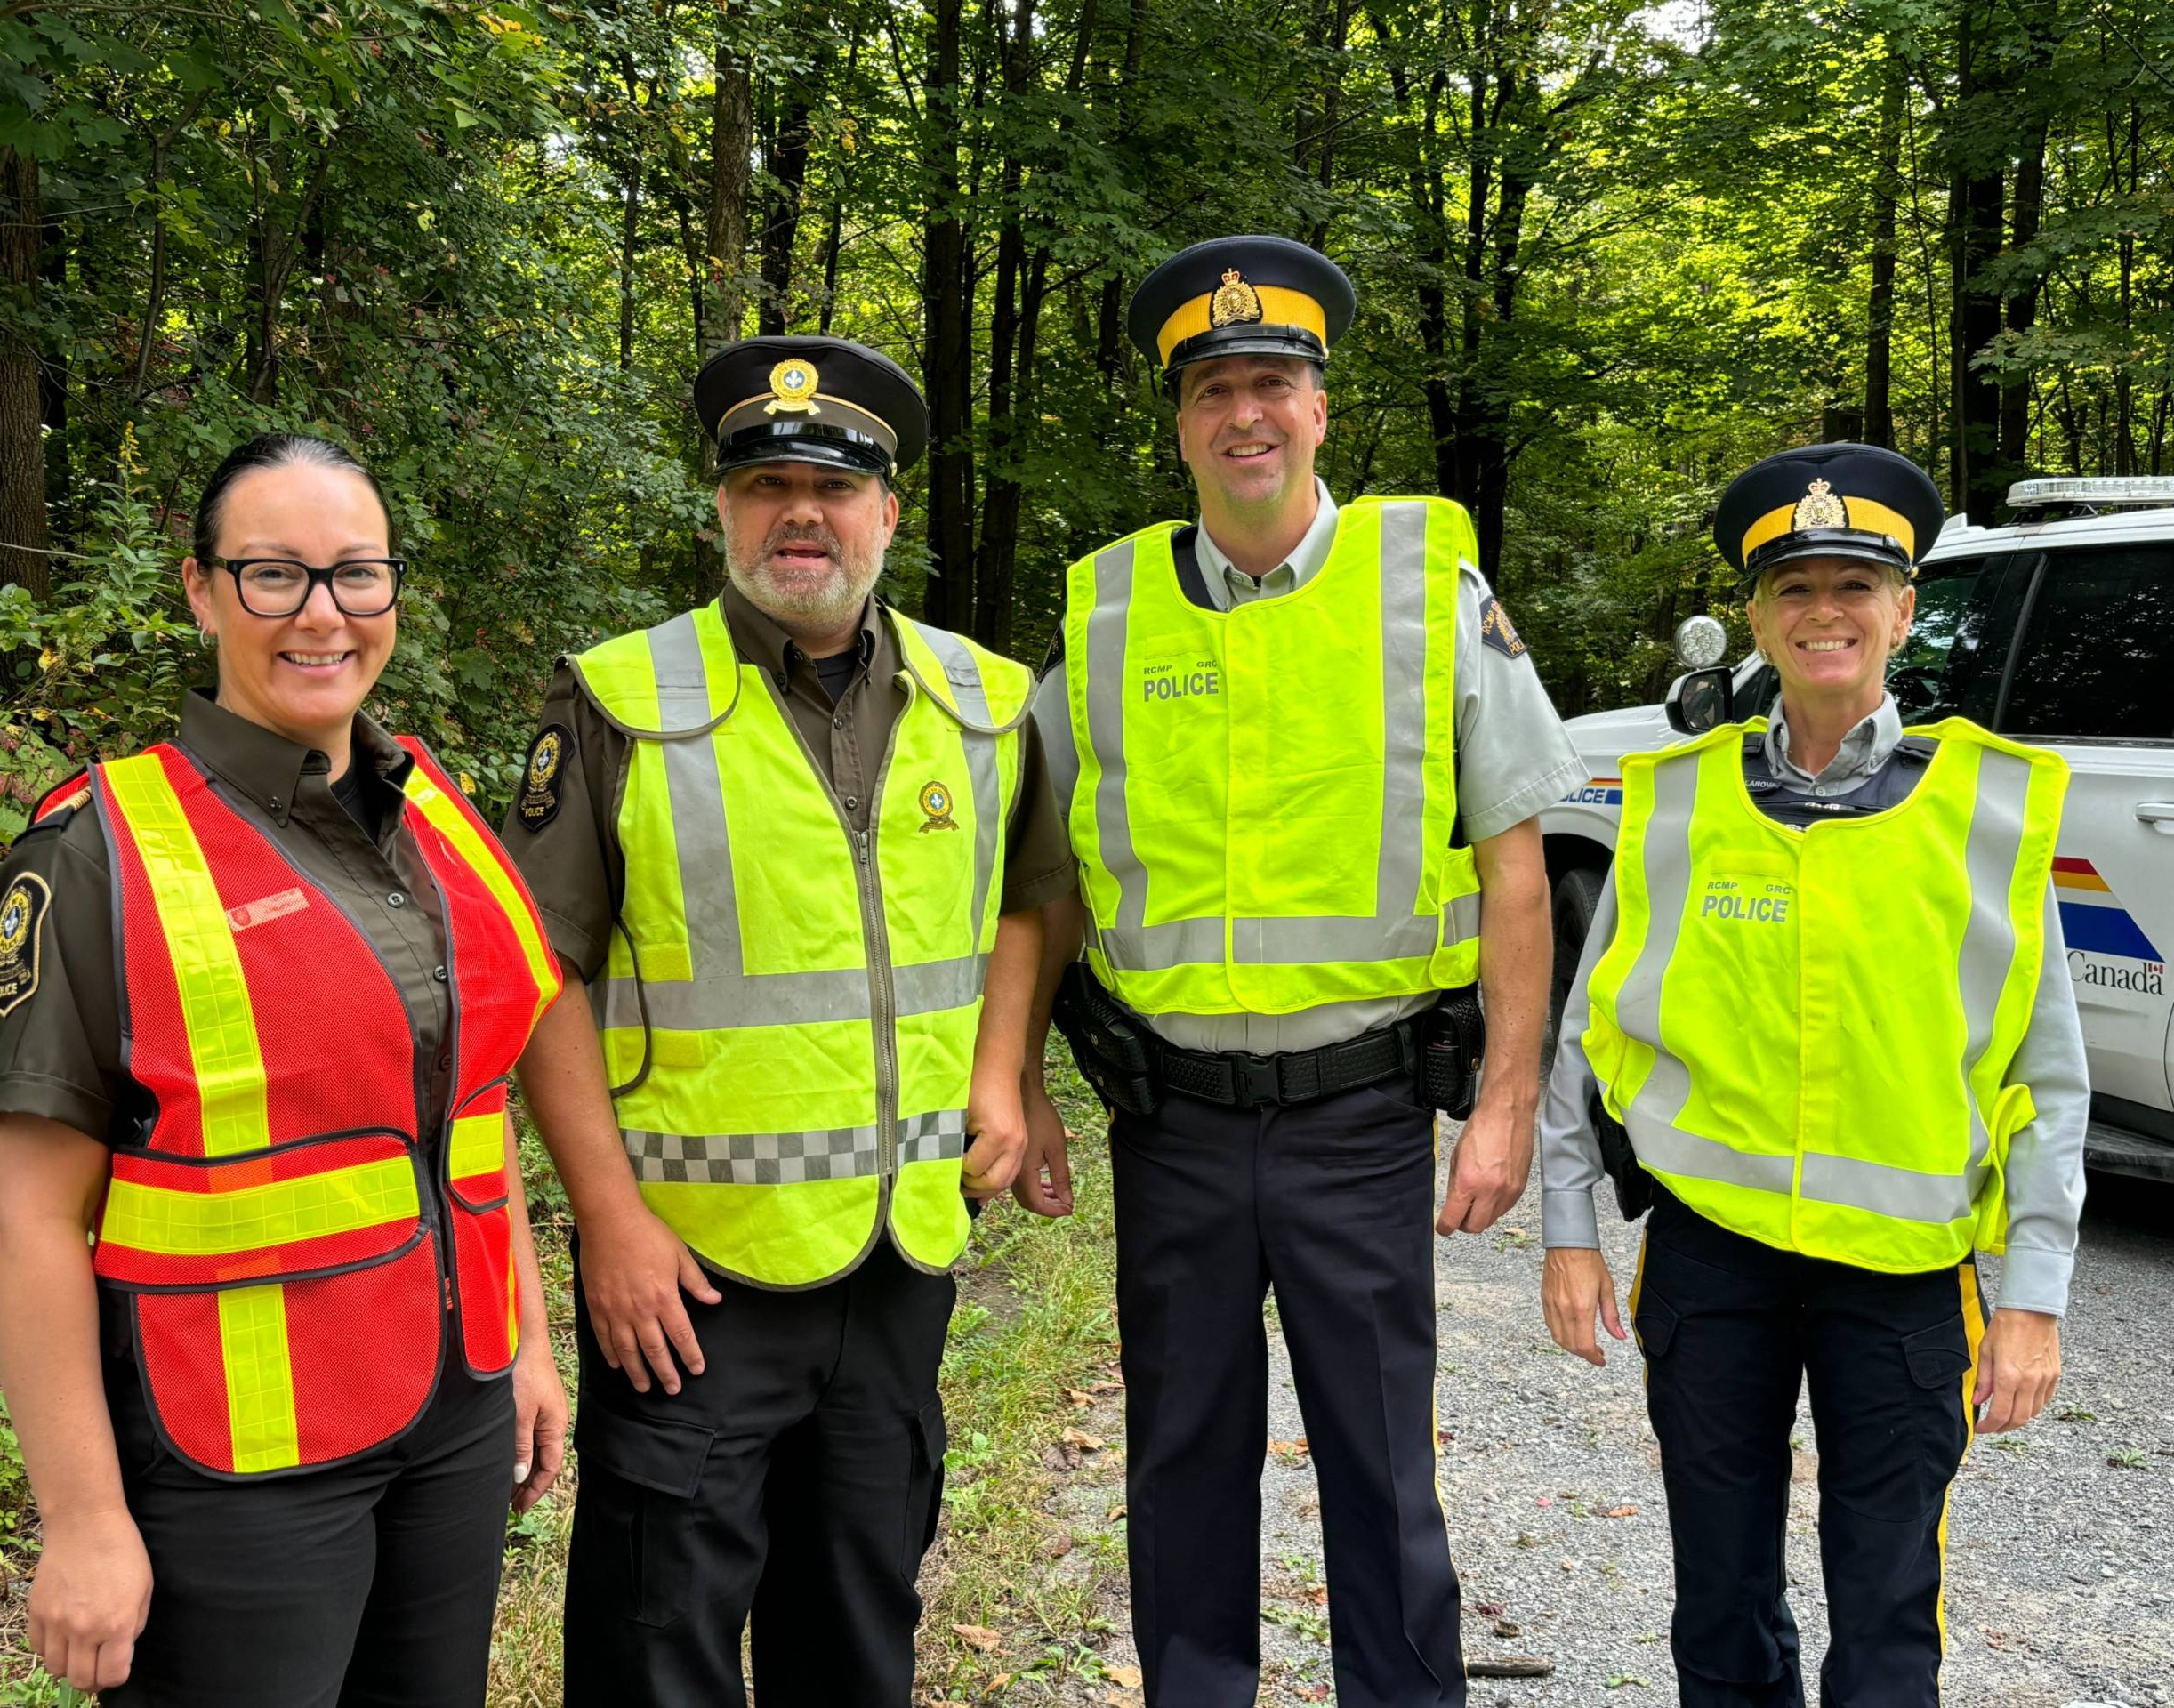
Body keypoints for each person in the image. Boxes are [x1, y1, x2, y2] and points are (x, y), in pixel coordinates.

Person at [1021, 236, 1585, 1708]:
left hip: (1362, 1117)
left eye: (1271, 383)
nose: (1245, 415)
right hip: (1175, 1124)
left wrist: (1508, 1104)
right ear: (1181, 422)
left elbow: (1517, 872)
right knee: (1183, 1460)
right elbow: (1047, 883)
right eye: (1213, 390)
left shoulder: (1428, 590)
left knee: (1383, 1467)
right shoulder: (1106, 615)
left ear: (1321, 408)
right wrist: (1013, 1078)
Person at [502, 334, 1077, 1706]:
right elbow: (537, 975)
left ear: (889, 513)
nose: (800, 515)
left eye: (834, 488)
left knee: (859, 1633)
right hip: (690, 1274)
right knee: (660, 1646)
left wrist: (1005, 1072)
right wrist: (610, 1223)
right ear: (722, 507)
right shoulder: (620, 701)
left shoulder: (985, 701)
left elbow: (1032, 898)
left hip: (900, 1257)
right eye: (767, 485)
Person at [0, 432, 568, 1705]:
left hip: (454, 1421)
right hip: (234, 1465)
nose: (322, 613)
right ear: (202, 592)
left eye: (356, 573)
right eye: (273, 574)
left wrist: (526, 1343)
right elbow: (28, 1219)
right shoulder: (100, 851)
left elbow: (471, 1110)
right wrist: (83, 1521)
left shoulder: (437, 810)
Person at [1538, 443, 2087, 1707]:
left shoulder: (1986, 808)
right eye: (1794, 587)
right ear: (1756, 618)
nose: (1824, 611)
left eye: (1855, 585)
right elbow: (1589, 1036)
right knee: (1718, 1598)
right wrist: (1568, 1230)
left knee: (1887, 1609)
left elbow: (2046, 1076)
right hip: (1711, 1259)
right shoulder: (1677, 803)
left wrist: (2036, 1296)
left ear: (1904, 610)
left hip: (1902, 1278)